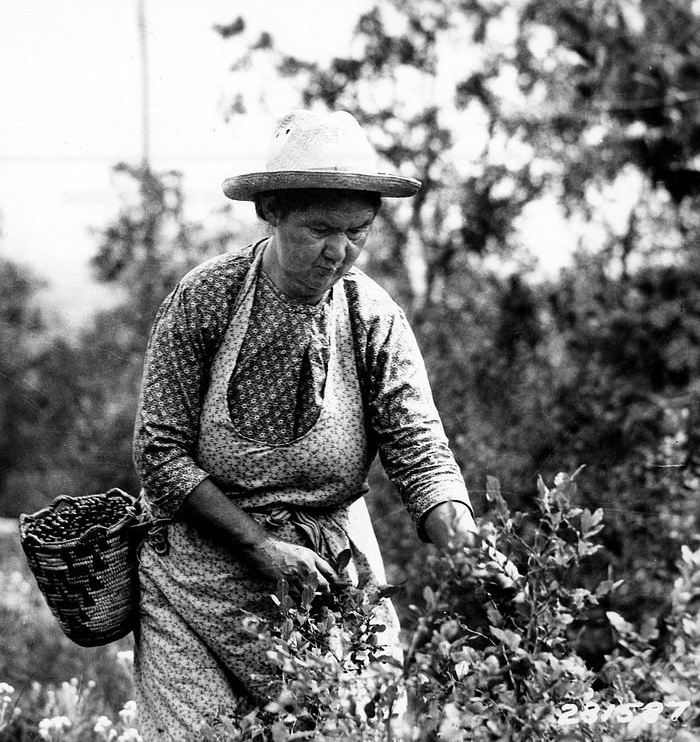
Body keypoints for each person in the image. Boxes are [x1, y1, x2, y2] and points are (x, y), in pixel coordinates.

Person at [132, 109, 477, 738]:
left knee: (353, 727)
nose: (338, 252)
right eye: (319, 229)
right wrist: (260, 546)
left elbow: (421, 453)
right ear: (271, 211)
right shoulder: (206, 299)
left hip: (325, 581)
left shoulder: (373, 318)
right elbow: (160, 454)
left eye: (358, 232)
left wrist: (472, 554)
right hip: (196, 582)